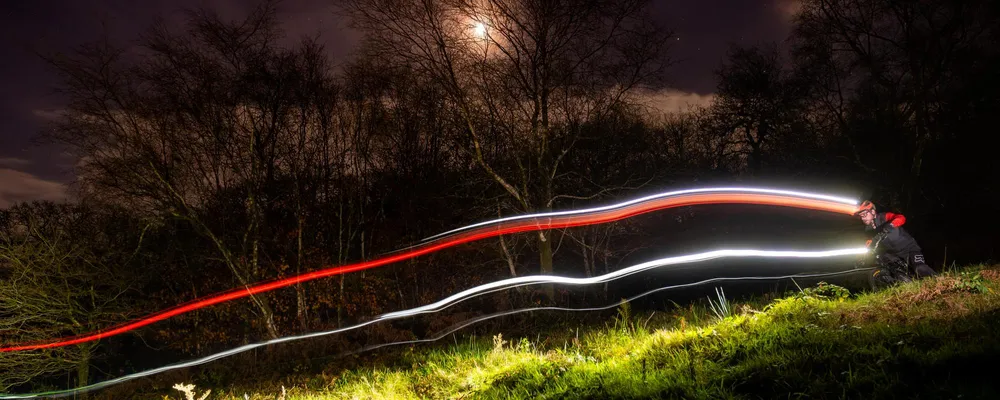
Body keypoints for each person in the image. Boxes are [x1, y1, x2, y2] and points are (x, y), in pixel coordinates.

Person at [855, 200, 936, 280]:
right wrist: (862, 258)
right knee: (883, 260)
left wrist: (891, 225)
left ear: (872, 211)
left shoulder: (884, 217)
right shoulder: (868, 230)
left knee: (920, 268)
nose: (863, 218)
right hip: (893, 254)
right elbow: (869, 244)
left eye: (865, 214)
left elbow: (901, 218)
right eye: (861, 216)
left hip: (909, 248)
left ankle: (939, 280)